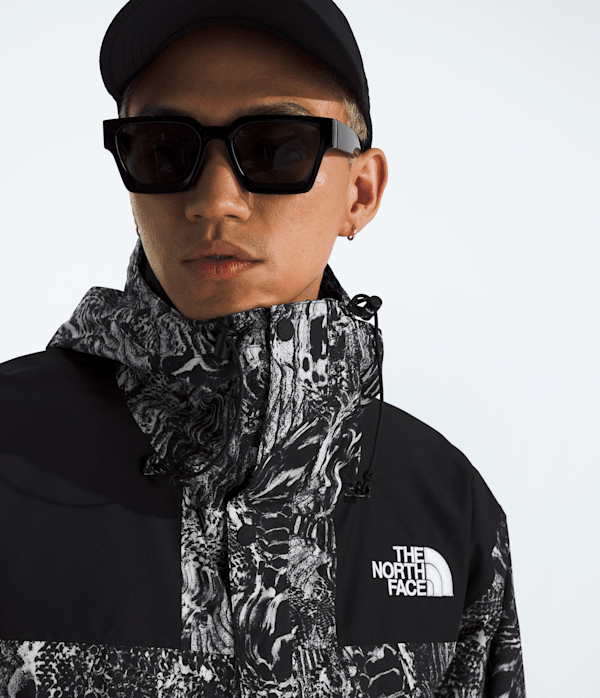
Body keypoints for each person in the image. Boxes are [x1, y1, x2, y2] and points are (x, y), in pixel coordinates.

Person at [0, 0, 526, 696]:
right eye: (165, 149)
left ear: (360, 192)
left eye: (278, 148)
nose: (215, 200)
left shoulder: (447, 507)